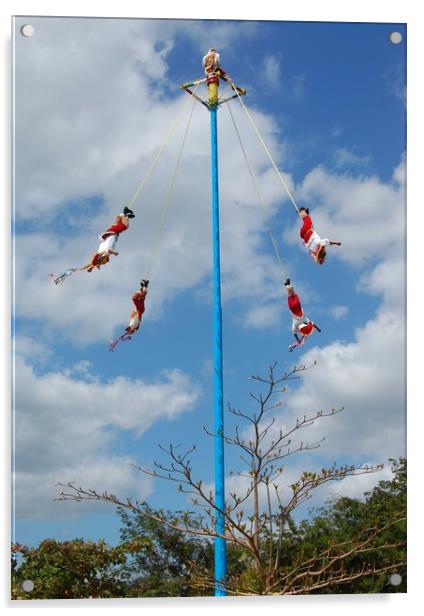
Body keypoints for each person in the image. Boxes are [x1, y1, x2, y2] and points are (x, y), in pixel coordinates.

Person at [84, 207, 135, 273]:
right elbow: (94, 262)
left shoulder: (104, 252)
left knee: (125, 226)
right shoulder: (101, 253)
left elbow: (108, 251)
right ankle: (125, 214)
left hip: (112, 233)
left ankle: (126, 214)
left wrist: (115, 253)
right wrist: (91, 268)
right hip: (110, 233)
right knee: (122, 225)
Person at [109, 280, 149, 351]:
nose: (128, 329)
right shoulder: (134, 326)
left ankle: (145, 285)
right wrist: (125, 337)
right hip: (140, 310)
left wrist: (122, 337)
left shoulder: (132, 326)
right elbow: (130, 332)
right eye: (129, 330)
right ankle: (143, 287)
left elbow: (128, 333)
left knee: (141, 298)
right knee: (135, 298)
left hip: (139, 309)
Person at [284, 278, 321, 350]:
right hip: (292, 308)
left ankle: (288, 285)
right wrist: (298, 340)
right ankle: (286, 285)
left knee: (293, 293)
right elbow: (294, 333)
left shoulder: (306, 319)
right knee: (289, 294)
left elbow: (312, 324)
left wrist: (318, 329)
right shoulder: (295, 326)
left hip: (298, 305)